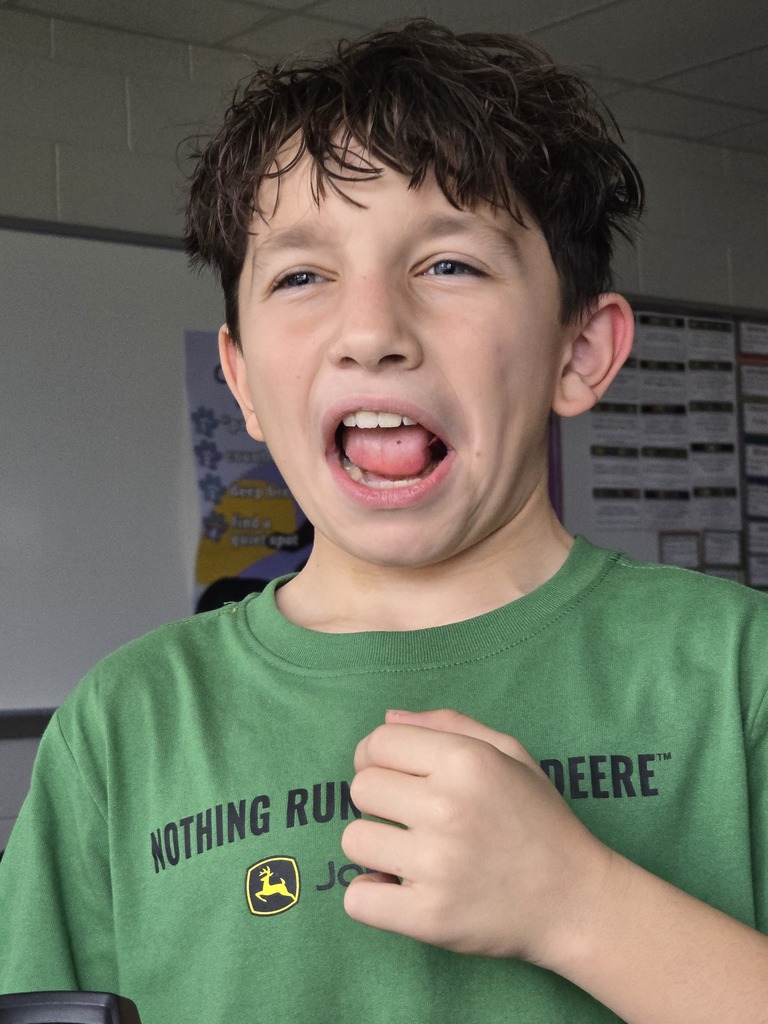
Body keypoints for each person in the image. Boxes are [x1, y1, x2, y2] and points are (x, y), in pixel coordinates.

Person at [1, 19, 767, 1024]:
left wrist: (580, 907)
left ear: (580, 351)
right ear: (243, 381)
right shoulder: (125, 726)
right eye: (301, 276)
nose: (370, 332)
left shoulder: (739, 674)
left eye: (449, 264)